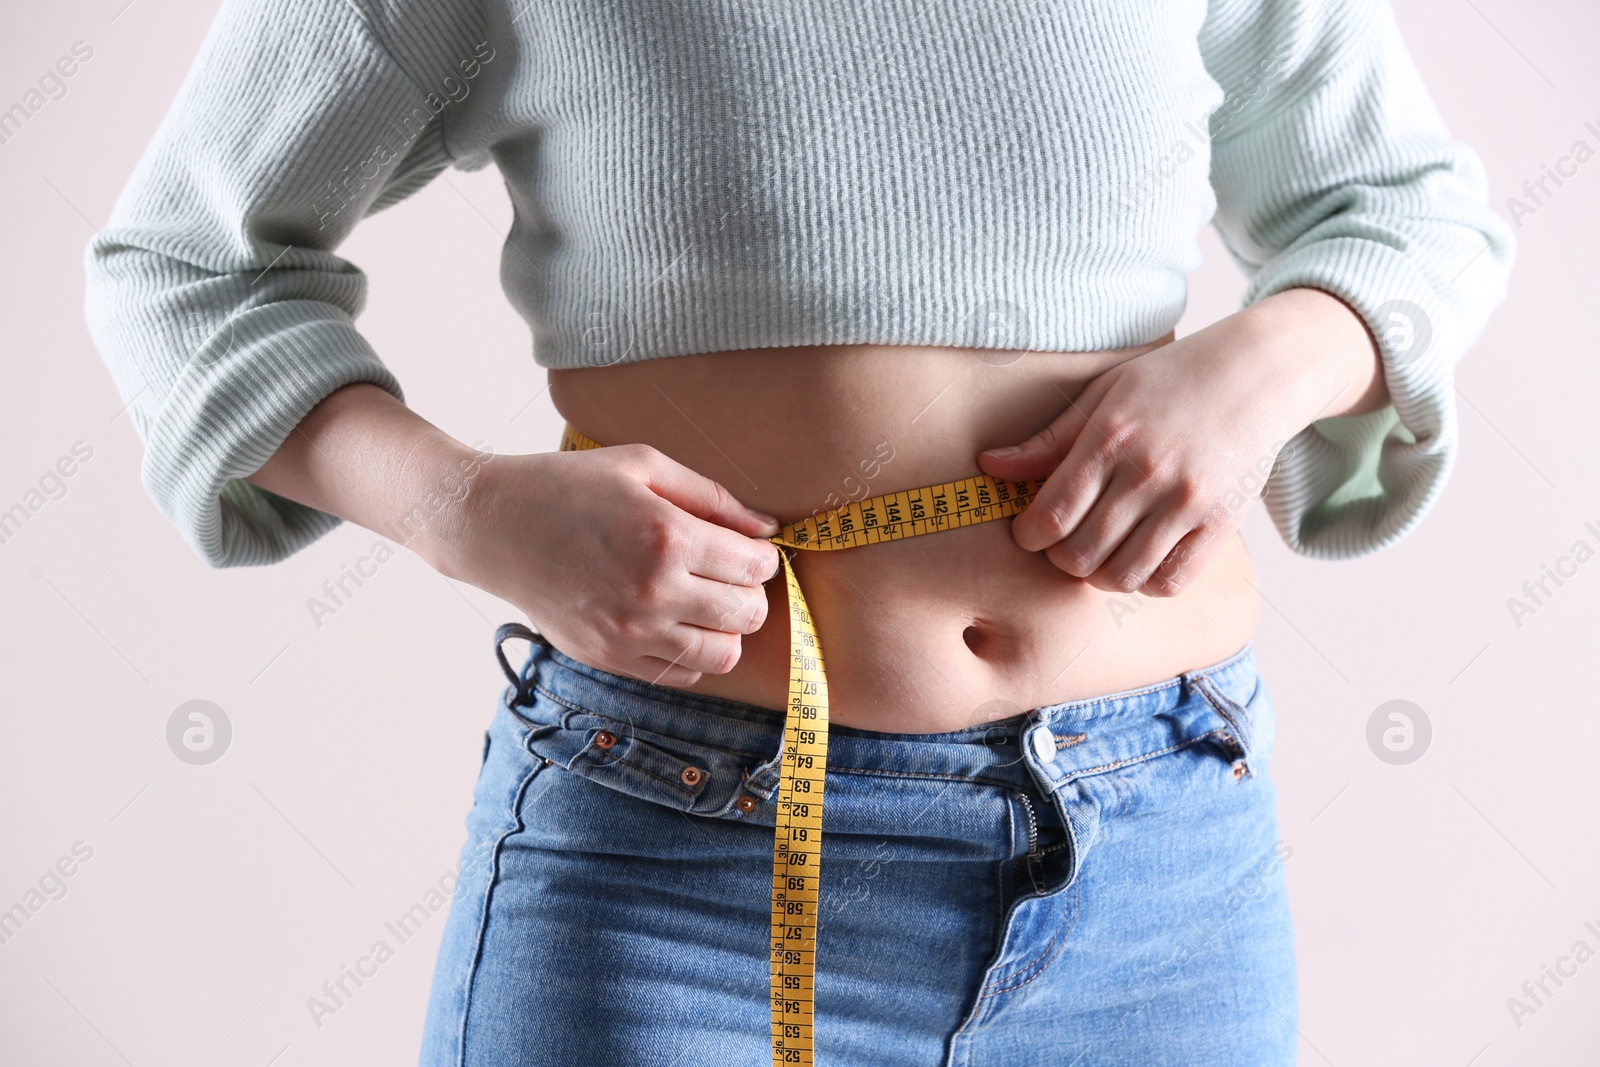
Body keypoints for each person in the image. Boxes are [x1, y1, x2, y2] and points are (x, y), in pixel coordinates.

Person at [83, 0, 1514, 1063]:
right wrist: (467, 508)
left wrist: (1263, 366)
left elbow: (1409, 204)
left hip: (1167, 860)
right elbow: (181, 267)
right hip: (677, 861)